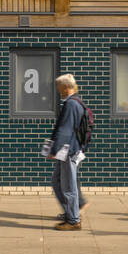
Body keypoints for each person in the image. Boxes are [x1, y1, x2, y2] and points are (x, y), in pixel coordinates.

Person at [49, 73, 87, 231]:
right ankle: (70, 212)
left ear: (66, 87)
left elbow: (65, 130)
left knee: (68, 186)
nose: (58, 90)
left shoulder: (71, 104)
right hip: (70, 149)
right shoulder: (76, 102)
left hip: (68, 151)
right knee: (57, 182)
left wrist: (54, 149)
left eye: (59, 87)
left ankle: (73, 220)